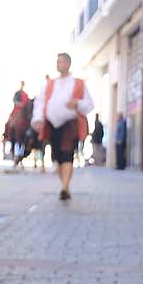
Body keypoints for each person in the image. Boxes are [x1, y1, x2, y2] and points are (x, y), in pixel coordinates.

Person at [34, 52, 94, 201]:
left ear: (68, 64)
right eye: (57, 62)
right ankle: (64, 185)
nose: (59, 64)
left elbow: (89, 104)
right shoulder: (50, 84)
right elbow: (40, 102)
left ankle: (65, 187)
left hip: (70, 124)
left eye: (61, 62)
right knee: (58, 158)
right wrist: (38, 119)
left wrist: (77, 103)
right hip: (53, 125)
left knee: (67, 155)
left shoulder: (78, 83)